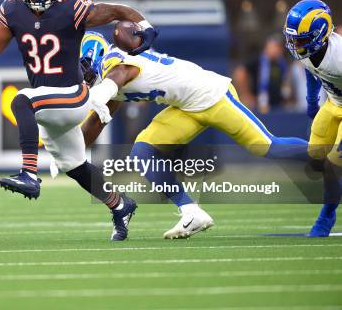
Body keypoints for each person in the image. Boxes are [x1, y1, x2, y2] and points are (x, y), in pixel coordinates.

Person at [0, 0, 158, 241]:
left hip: (72, 94)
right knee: (74, 164)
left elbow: (117, 10)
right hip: (50, 101)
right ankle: (120, 204)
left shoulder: (73, 6)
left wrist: (144, 24)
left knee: (22, 100)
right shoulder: (12, 8)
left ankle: (30, 174)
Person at [79, 26, 308, 239]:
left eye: (81, 68)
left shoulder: (115, 62)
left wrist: (97, 97)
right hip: (185, 108)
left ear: (94, 56)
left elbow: (118, 75)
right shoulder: (107, 83)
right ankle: (191, 212)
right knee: (142, 152)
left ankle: (328, 154)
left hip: (212, 96)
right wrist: (69, 154)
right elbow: (93, 127)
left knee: (267, 146)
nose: (80, 76)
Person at [283, 0, 341, 237]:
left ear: (320, 34)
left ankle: (327, 215)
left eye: (302, 40)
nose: (296, 46)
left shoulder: (338, 59)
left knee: (334, 163)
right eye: (293, 39)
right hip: (334, 103)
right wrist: (310, 101)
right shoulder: (309, 51)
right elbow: (311, 71)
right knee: (315, 154)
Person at [233, 36, 291, 113]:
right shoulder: (257, 61)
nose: (276, 50)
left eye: (278, 47)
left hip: (278, 105)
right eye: (273, 47)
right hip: (259, 106)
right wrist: (246, 95)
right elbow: (239, 73)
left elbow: (286, 83)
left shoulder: (282, 63)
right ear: (266, 48)